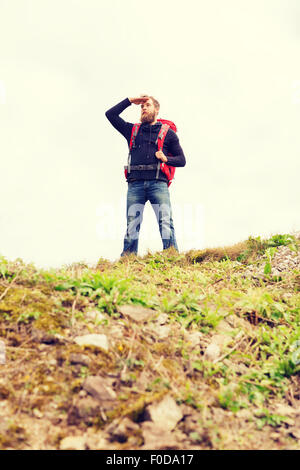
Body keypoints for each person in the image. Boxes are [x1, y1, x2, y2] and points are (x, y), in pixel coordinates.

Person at [105, 95, 186, 257]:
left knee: (165, 221)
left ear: (156, 109)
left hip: (158, 184)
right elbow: (110, 114)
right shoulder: (132, 130)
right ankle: (128, 258)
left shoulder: (168, 134)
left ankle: (171, 255)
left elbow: (182, 160)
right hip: (135, 184)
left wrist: (166, 158)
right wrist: (129, 100)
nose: (143, 108)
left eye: (147, 105)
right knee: (132, 224)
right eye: (141, 106)